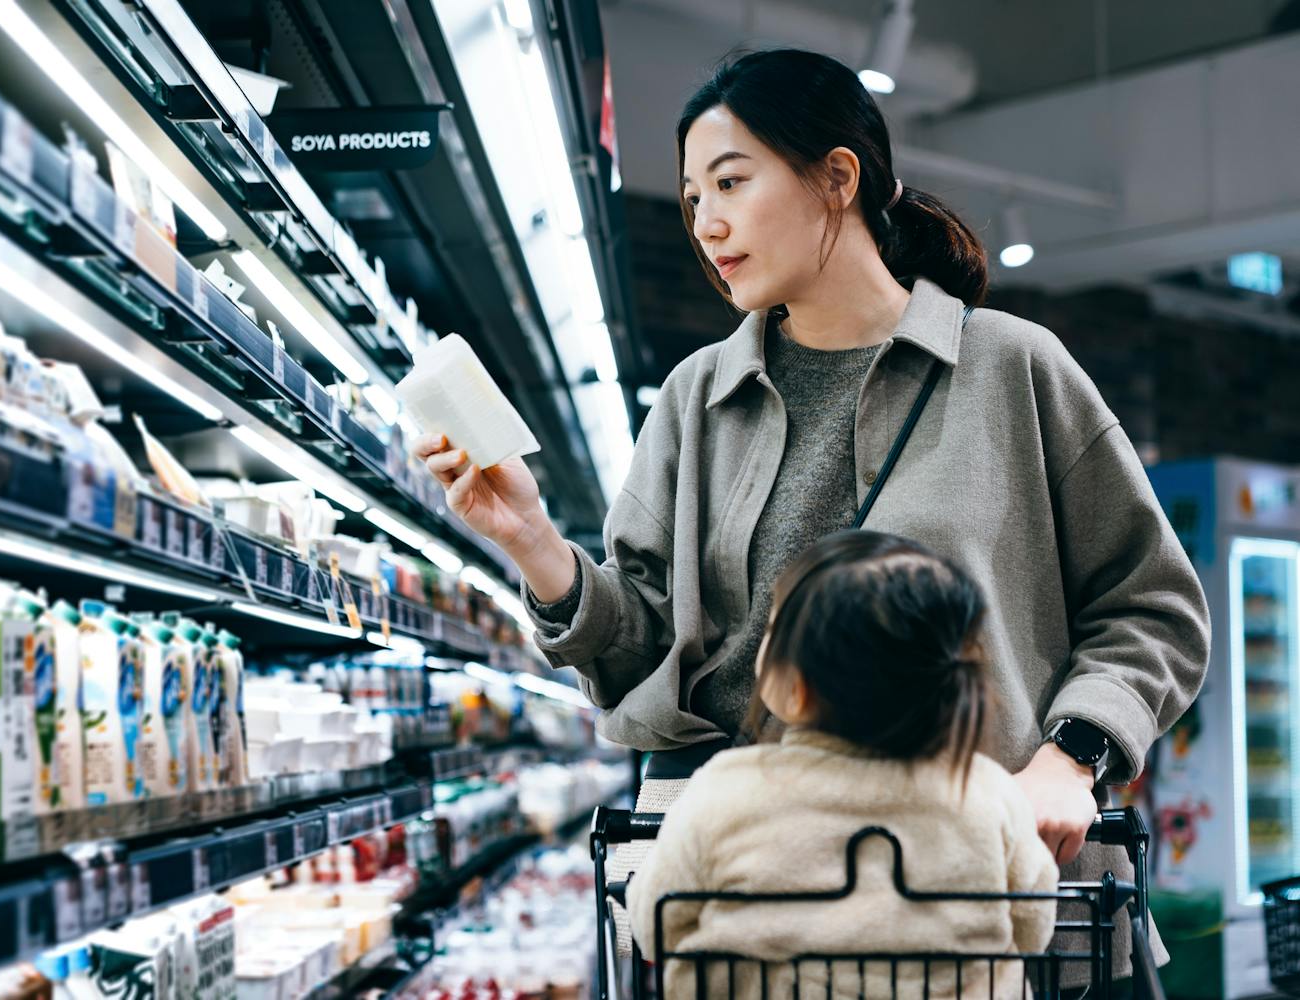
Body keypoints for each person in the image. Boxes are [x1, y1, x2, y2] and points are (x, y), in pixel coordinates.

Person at [410, 48, 1209, 976]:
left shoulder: (1011, 369)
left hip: (978, 897)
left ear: (838, 177)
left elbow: (1153, 605)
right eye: (691, 198)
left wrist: (1070, 758)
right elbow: (645, 649)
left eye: (731, 182)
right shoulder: (695, 397)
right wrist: (533, 542)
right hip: (752, 920)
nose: (706, 223)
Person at [626, 530, 1061, 999]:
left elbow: (654, 923)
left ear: (796, 685)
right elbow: (1034, 923)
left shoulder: (724, 791)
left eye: (774, 629)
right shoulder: (985, 791)